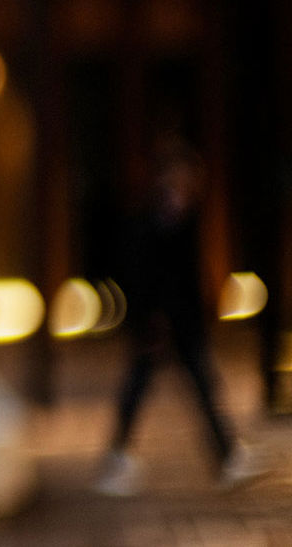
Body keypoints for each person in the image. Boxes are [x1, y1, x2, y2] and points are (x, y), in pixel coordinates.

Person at [94, 136, 263, 496]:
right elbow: (144, 272)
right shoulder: (151, 220)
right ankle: (118, 460)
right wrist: (150, 317)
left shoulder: (185, 218)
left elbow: (188, 276)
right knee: (142, 388)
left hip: (184, 322)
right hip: (157, 323)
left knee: (201, 387)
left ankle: (227, 455)